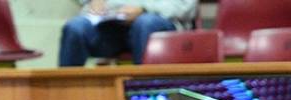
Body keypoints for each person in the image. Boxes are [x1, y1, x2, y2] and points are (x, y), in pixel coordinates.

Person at [58, 0, 196, 67]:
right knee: (75, 27)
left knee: (144, 23)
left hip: (157, 21)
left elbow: (184, 7)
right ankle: (63, 97)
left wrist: (144, 9)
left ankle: (142, 94)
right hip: (110, 23)